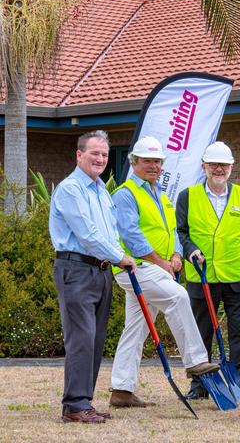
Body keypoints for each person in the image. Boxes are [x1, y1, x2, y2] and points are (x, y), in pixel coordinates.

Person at [109, 136, 219, 408]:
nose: (154, 166)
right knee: (179, 297)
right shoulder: (125, 194)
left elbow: (172, 232)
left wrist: (177, 255)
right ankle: (195, 361)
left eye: (157, 161)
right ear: (133, 162)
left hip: (156, 268)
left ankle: (121, 390)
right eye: (147, 160)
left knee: (135, 329)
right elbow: (131, 237)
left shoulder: (160, 194)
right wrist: (162, 263)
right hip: (135, 268)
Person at [49, 130, 137, 423]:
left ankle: (84, 401)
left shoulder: (101, 191)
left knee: (95, 339)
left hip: (100, 271)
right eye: (94, 153)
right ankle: (74, 406)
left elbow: (110, 234)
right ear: (79, 155)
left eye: (104, 154)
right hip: (75, 269)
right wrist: (119, 257)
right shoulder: (70, 189)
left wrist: (117, 257)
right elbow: (87, 235)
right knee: (81, 338)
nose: (100, 159)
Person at [176, 141, 240, 400]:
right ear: (204, 166)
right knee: (201, 334)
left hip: (236, 277)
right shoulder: (187, 196)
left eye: (223, 164)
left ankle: (238, 385)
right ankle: (200, 385)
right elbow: (182, 232)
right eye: (213, 164)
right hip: (201, 278)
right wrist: (190, 250)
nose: (218, 169)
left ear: (231, 167)